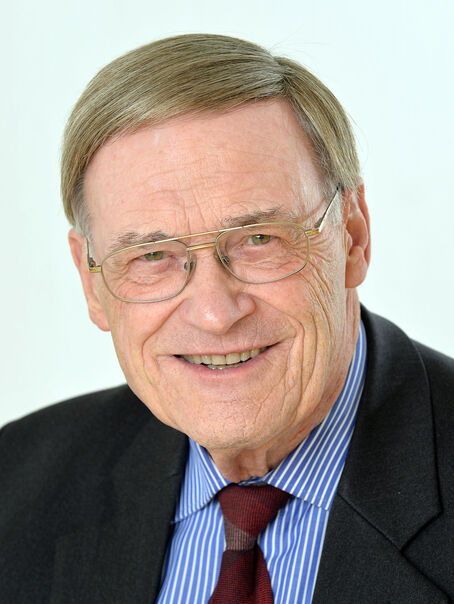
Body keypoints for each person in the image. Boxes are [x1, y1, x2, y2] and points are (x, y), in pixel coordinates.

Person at [1, 33, 453, 604]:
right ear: (92, 281)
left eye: (259, 239)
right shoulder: (15, 487)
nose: (215, 315)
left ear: (354, 236)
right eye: (152, 255)